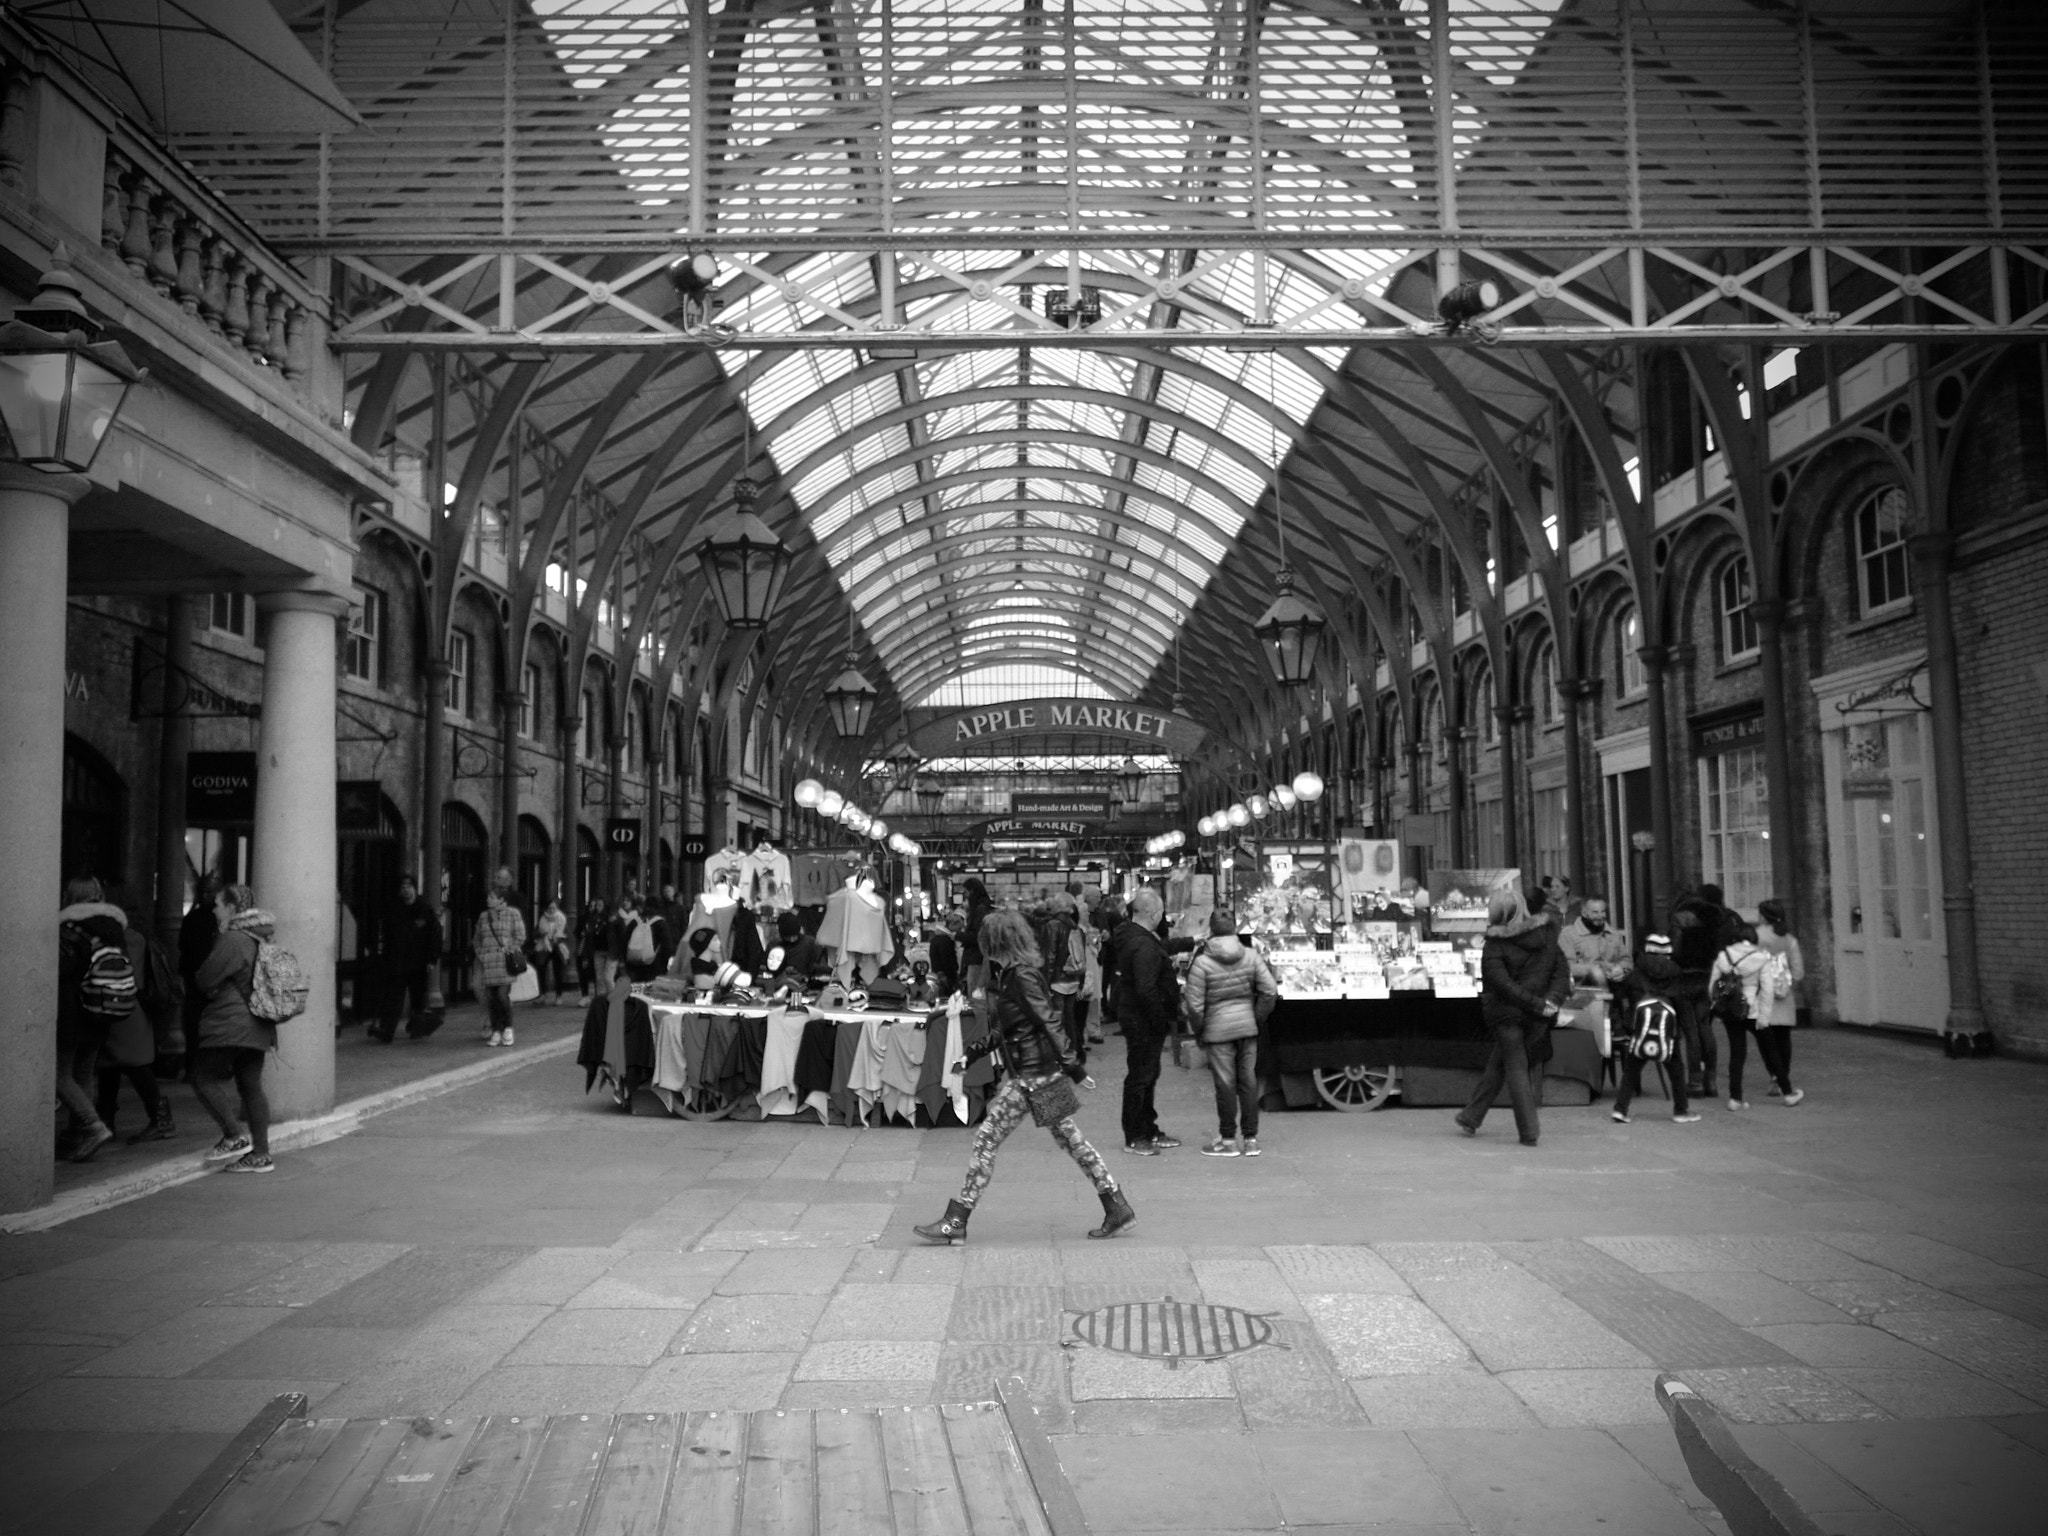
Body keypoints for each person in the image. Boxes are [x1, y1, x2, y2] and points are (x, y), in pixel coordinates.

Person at [913, 911, 1133, 1244]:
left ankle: (957, 1220)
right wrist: (970, 1054)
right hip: (1038, 1074)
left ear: (995, 941)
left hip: (1032, 1077)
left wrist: (1074, 1067)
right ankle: (1116, 1205)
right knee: (1073, 1144)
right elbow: (1011, 1027)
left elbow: (1048, 1021)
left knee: (987, 1140)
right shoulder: (1016, 974)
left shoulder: (1020, 976)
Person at [1454, 886, 1568, 1147]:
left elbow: (1504, 987)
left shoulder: (1494, 946)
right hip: (1538, 1016)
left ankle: (1529, 1131)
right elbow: (1561, 971)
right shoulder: (1547, 934)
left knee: (1515, 1066)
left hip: (1508, 1015)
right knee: (1502, 1061)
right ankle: (1471, 1116)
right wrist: (1550, 1002)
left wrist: (1539, 1004)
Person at [190, 883, 278, 1174]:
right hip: (259, 1025)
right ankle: (261, 1154)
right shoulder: (260, 937)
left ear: (230, 908)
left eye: (216, 904)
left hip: (231, 1022)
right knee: (251, 1086)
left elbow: (205, 978)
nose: (213, 910)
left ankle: (233, 1135)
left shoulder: (233, 939)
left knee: (202, 1076)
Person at [1184, 911, 1278, 1157]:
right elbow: (1269, 990)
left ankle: (1228, 1140)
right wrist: (1256, 1016)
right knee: (1248, 1081)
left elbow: (1193, 1004)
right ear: (1235, 928)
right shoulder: (1251, 955)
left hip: (1217, 1031)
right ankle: (1251, 1139)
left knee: (1225, 1085)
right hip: (1247, 1027)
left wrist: (1200, 1030)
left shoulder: (1202, 962)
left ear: (1212, 931)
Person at [55, 877, 131, 1162]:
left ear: (70, 895)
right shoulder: (114, 928)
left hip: (71, 1011)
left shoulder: (68, 928)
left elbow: (62, 970)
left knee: (59, 1074)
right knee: (84, 1073)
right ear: (99, 895)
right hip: (102, 1010)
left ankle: (91, 1124)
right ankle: (78, 1137)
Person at [1110, 888, 1182, 1155]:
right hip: (1142, 1018)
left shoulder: (1135, 937)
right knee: (1141, 1076)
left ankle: (1148, 1129)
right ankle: (1135, 1135)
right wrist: (1159, 1017)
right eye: (1161, 912)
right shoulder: (1142, 945)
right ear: (1153, 913)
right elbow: (1145, 987)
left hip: (1137, 1015)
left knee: (1148, 1074)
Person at [97, 899, 174, 1145]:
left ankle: (111, 1123)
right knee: (121, 1067)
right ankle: (108, 1123)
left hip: (117, 1007)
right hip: (136, 1008)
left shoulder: (114, 941)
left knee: (126, 1067)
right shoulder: (139, 938)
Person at [1611, 932, 1700, 1124]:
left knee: (1631, 1070)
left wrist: (1627, 1023)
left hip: (1641, 1030)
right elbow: (1683, 1006)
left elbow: (1621, 993)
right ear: (1668, 953)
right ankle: (1681, 1111)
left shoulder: (1636, 973)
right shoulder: (1676, 975)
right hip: (1667, 1033)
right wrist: (1685, 1031)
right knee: (1676, 1070)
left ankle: (1620, 1109)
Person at [1710, 920, 1797, 1110]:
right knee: (1771, 1051)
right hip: (1753, 1010)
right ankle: (1788, 1092)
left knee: (1736, 1054)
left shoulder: (1724, 956)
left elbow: (1713, 986)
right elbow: (1767, 990)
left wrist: (1719, 1007)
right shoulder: (1760, 958)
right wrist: (1764, 1016)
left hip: (1732, 1011)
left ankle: (1735, 1098)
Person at [1671, 885, 1730, 1099]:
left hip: (1685, 977)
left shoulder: (1680, 918)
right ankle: (1711, 1081)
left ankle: (1695, 1081)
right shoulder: (1715, 917)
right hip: (1707, 975)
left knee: (1690, 1030)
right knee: (1705, 1026)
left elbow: (1676, 949)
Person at [375, 875, 443, 1041]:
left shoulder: (424, 909)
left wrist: (432, 959)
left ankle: (417, 1028)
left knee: (417, 999)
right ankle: (387, 1031)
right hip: (397, 962)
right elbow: (386, 936)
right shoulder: (394, 910)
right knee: (394, 999)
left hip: (419, 963)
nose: (406, 890)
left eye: (409, 886)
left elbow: (435, 936)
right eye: (403, 887)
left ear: (414, 888)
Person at [1754, 898, 1806, 1105]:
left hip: (1761, 995)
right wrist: (1786, 983)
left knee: (1765, 1041)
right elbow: (1799, 971)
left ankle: (1774, 1075)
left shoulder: (1756, 937)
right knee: (1783, 1039)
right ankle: (1782, 1073)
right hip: (1784, 996)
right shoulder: (1789, 940)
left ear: (1763, 916)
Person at [473, 886, 528, 1047]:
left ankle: (508, 1028)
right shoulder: (484, 916)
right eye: (489, 896)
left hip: (504, 962)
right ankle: (496, 1029)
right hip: (488, 963)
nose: (488, 899)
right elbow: (477, 939)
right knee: (491, 997)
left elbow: (520, 935)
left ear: (501, 900)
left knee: (503, 996)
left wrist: (510, 948)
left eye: (492, 897)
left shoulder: (513, 914)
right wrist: (481, 954)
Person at [177, 873, 220, 1072]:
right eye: (205, 891)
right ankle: (203, 1065)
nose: (206, 896)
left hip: (196, 976)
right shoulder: (216, 921)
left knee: (195, 1023)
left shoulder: (194, 919)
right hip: (206, 977)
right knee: (204, 1023)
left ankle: (194, 1065)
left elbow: (182, 946)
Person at [1040, 891, 1087, 1066]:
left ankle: (1062, 1059)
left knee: (1056, 1023)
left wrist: (1045, 983)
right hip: (1073, 980)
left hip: (1057, 982)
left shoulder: (1053, 926)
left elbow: (1050, 956)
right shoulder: (1076, 927)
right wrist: (1081, 982)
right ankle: (1074, 1054)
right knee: (1070, 1020)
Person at [765, 910, 822, 993]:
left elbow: (817, 966)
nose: (791, 940)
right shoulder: (774, 946)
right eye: (788, 937)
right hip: (778, 987)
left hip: (804, 987)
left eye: (794, 936)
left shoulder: (809, 943)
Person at [532, 898, 570, 1004]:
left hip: (557, 946)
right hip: (544, 945)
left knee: (558, 970)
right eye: (549, 908)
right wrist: (541, 933)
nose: (551, 910)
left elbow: (566, 933)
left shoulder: (561, 918)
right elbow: (536, 932)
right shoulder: (542, 918)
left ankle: (559, 996)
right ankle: (542, 994)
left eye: (553, 908)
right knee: (541, 968)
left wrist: (558, 937)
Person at [960, 878, 993, 995]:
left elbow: (978, 935)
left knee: (974, 990)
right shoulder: (984, 907)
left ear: (972, 891)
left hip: (976, 957)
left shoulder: (980, 909)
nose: (966, 896)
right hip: (979, 956)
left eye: (966, 892)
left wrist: (958, 936)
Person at [575, 896, 610, 1003]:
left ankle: (599, 996)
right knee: (583, 972)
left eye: (596, 906)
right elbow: (577, 931)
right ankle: (585, 995)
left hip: (596, 950)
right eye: (591, 906)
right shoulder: (584, 918)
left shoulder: (602, 919)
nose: (593, 908)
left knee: (598, 975)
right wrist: (581, 933)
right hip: (583, 948)